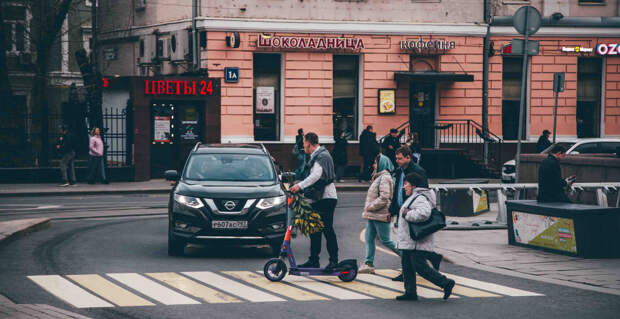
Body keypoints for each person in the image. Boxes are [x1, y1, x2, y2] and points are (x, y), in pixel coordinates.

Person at [395, 172, 455, 301]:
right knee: (407, 267)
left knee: (420, 268)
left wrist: (407, 213)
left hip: (416, 242)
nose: (404, 187)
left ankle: (445, 283)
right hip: (409, 240)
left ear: (413, 185)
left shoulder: (420, 198)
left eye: (406, 184)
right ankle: (410, 292)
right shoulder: (414, 196)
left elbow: (424, 214)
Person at [389, 146, 441, 281]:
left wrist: (411, 211)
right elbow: (398, 190)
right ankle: (430, 259)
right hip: (403, 211)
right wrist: (392, 209)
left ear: (408, 157)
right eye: (396, 158)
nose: (397, 161)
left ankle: (417, 272)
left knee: (410, 246)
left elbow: (423, 194)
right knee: (406, 245)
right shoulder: (400, 171)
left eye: (400, 158)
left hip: (411, 212)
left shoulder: (418, 171)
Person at [290, 132, 339, 270]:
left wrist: (299, 186)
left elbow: (316, 176)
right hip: (319, 198)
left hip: (327, 198)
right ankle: (314, 260)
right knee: (315, 230)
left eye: (304, 143)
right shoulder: (317, 156)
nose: (303, 147)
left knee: (327, 229)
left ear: (309, 143)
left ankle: (334, 261)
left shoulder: (321, 156)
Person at [359, 154, 401, 274]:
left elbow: (384, 197)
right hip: (374, 214)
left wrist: (371, 206)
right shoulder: (379, 177)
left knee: (386, 240)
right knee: (369, 238)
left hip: (380, 214)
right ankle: (368, 263)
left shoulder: (385, 178)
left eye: (376, 163)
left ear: (382, 164)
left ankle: (409, 258)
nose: (374, 165)